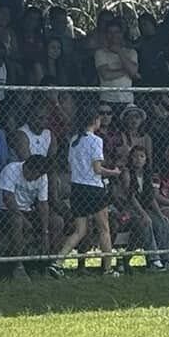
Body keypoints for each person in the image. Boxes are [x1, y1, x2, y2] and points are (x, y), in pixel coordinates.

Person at [53, 107, 119, 276]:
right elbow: (97, 169)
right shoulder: (96, 140)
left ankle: (58, 262)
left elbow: (70, 165)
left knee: (79, 230)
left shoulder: (74, 140)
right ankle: (108, 268)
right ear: (95, 121)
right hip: (93, 188)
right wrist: (113, 172)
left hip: (77, 188)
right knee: (104, 228)